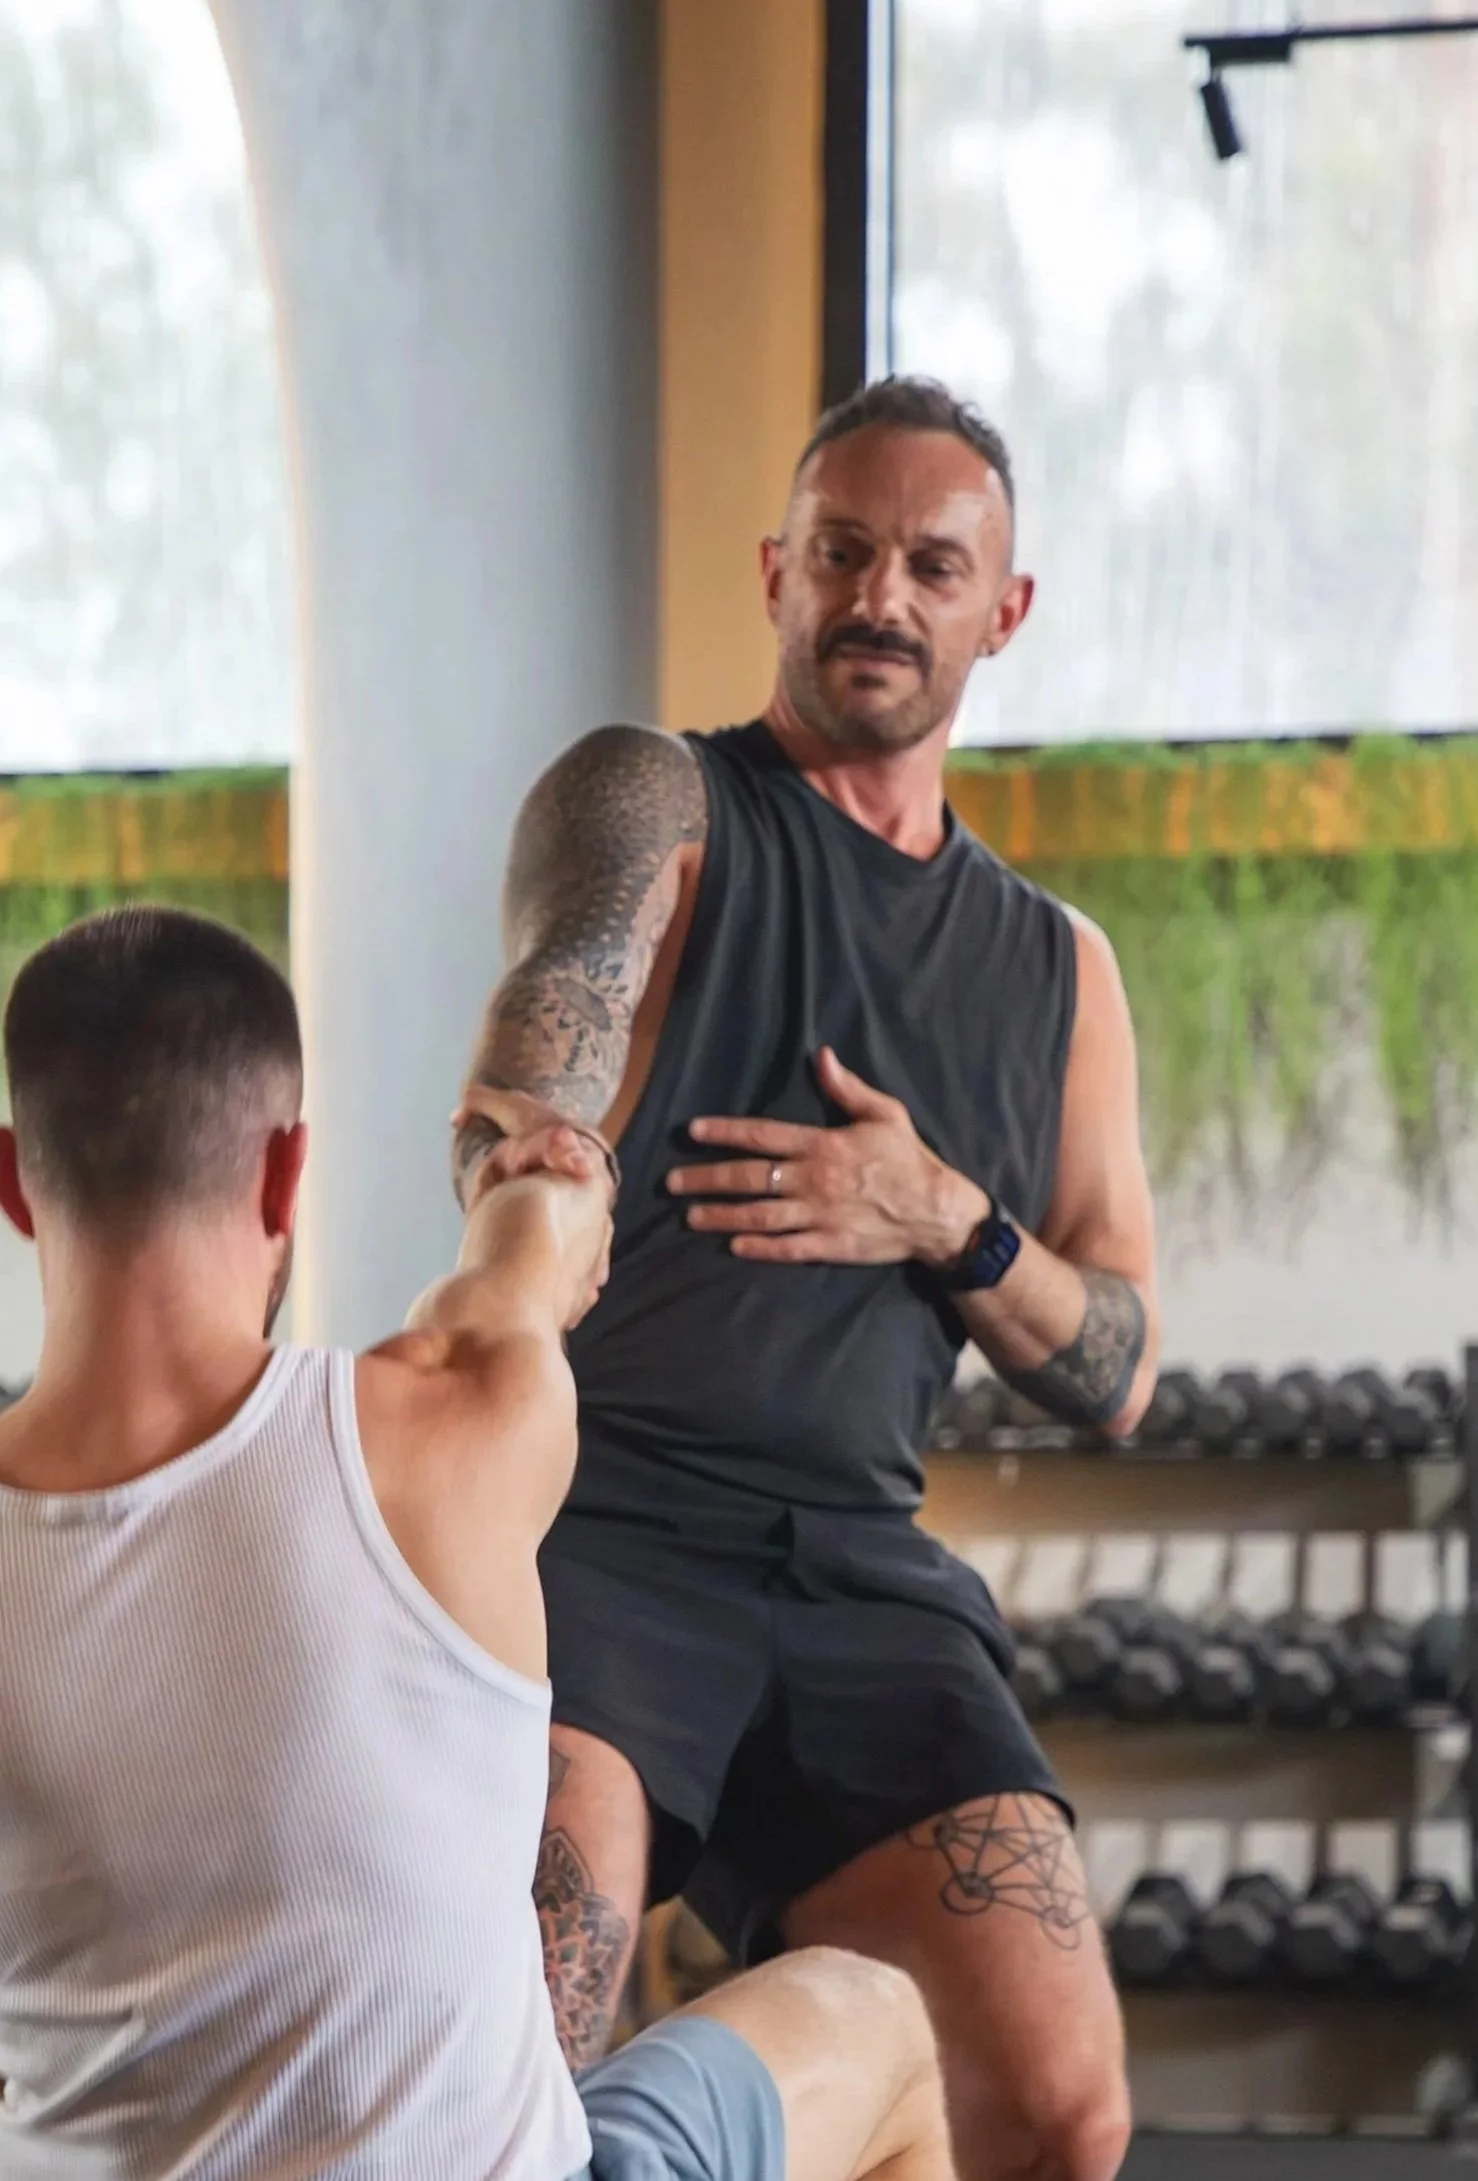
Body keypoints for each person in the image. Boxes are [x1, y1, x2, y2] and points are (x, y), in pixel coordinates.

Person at [453, 375, 1160, 2181]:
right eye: (844, 551)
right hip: (601, 1524)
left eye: (936, 565)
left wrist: (949, 1217)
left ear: (1004, 611)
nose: (882, 596)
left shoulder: (1059, 970)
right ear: (778, 569)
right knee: (526, 2025)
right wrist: (531, 1171)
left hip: (858, 1561)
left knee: (1063, 2105)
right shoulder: (659, 798)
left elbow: (1121, 1358)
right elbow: (543, 1049)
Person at [0, 905, 953, 2181]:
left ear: (13, 1182)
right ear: (288, 1171)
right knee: (877, 2015)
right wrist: (556, 1167)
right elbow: (532, 1257)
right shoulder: (450, 1425)